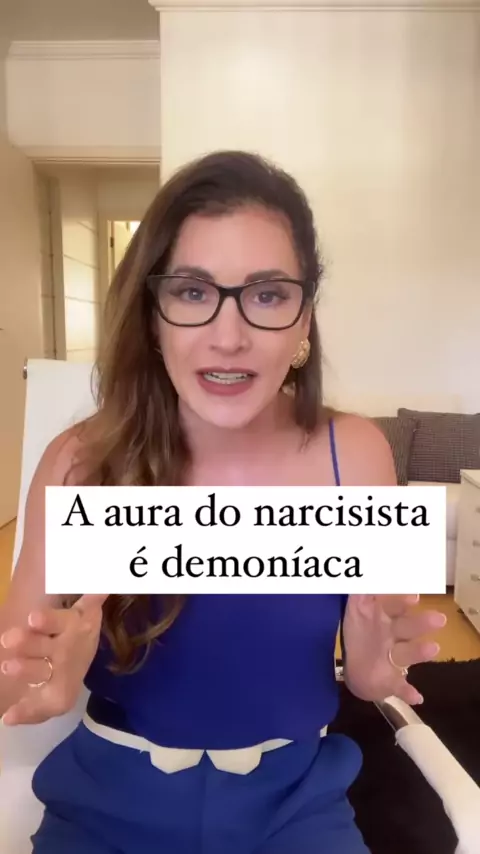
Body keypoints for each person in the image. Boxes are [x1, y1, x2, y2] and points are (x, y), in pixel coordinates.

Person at [0, 151, 446, 854]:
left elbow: (370, 673)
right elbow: (11, 676)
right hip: (104, 801)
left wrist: (375, 666)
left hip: (296, 804)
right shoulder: (80, 462)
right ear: (152, 316)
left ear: (304, 320)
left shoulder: (356, 454)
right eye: (191, 291)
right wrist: (35, 684)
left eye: (266, 295)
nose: (229, 336)